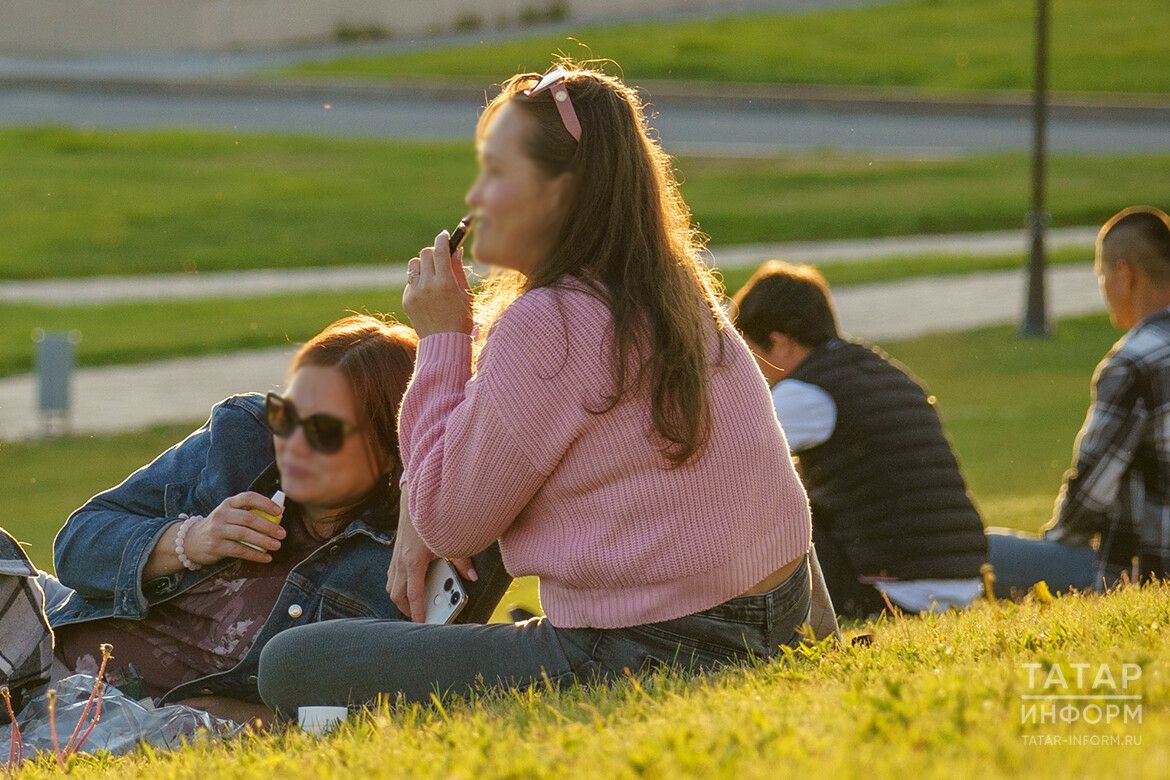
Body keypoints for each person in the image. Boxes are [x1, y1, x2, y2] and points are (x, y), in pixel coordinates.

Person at [257, 63, 816, 713]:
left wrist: (441, 338)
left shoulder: (549, 323)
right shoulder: (668, 284)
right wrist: (423, 497)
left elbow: (451, 521)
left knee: (292, 664)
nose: (474, 196)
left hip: (652, 648)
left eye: (496, 172)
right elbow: (485, 456)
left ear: (562, 192)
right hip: (775, 606)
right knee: (484, 486)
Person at [1, 315, 509, 724]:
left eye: (325, 430)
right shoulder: (241, 444)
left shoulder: (416, 552)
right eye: (285, 415)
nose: (291, 443)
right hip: (45, 655)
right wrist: (188, 540)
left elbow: (392, 701)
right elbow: (77, 545)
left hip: (120, 717)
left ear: (393, 447)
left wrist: (422, 489)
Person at [731, 261, 988, 619]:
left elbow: (722, 460)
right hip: (963, 581)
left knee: (767, 499)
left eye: (750, 354)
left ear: (780, 343)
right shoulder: (889, 374)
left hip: (891, 591)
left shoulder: (806, 393)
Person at [989, 206, 1170, 595]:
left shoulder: (1134, 363)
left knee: (977, 551)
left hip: (1144, 570)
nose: (1104, 288)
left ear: (1125, 274)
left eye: (1102, 276)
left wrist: (1054, 541)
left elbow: (1089, 496)